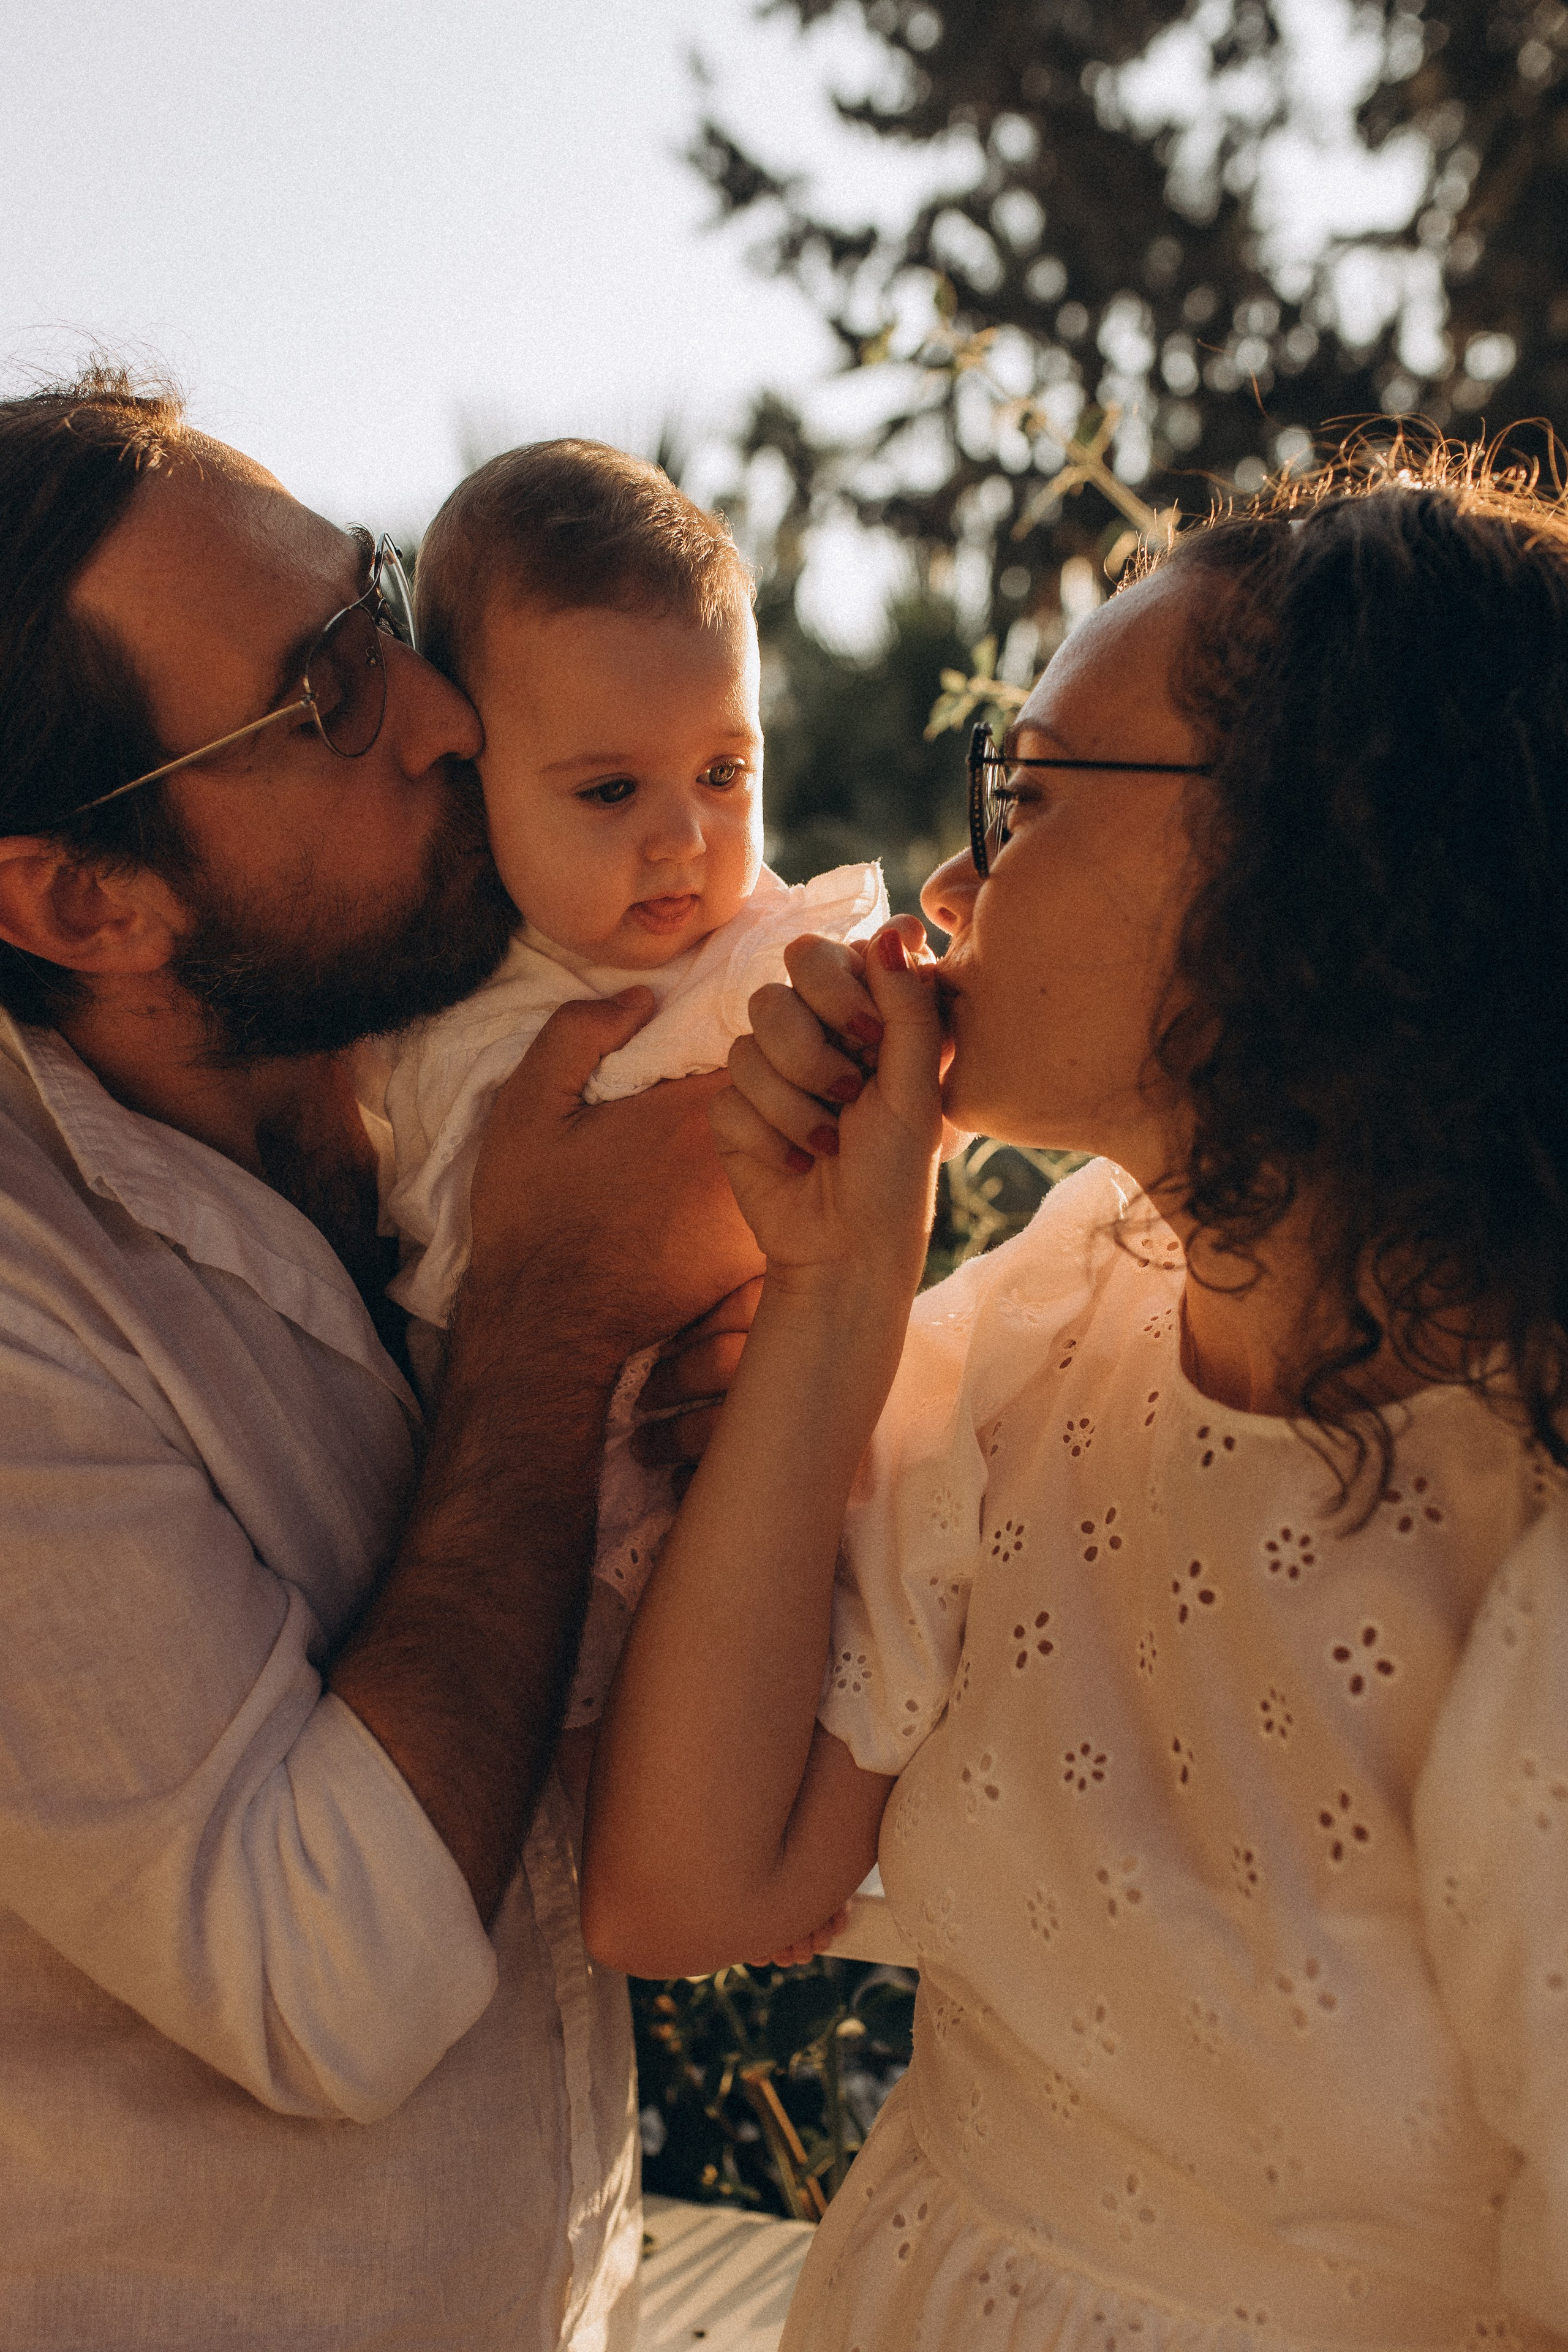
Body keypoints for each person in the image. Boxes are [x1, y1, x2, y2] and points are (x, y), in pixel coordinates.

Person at [584, 447, 1568, 2346]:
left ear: (1327, 852)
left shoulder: (1528, 1534)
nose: (957, 875)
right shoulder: (1064, 1310)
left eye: (1028, 798)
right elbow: (680, 1890)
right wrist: (841, 1278)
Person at [0, 369, 763, 2351]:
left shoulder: (496, 1062)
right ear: (86, 896)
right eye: (325, 697)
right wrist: (552, 1328)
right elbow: (322, 1979)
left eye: (382, 612)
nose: (444, 711)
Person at [382, 439, 886, 1730]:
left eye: (725, 773)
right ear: (466, 775)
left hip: (725, 1480)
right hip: (494, 1508)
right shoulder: (423, 999)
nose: (684, 838)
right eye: (609, 790)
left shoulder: (767, 956)